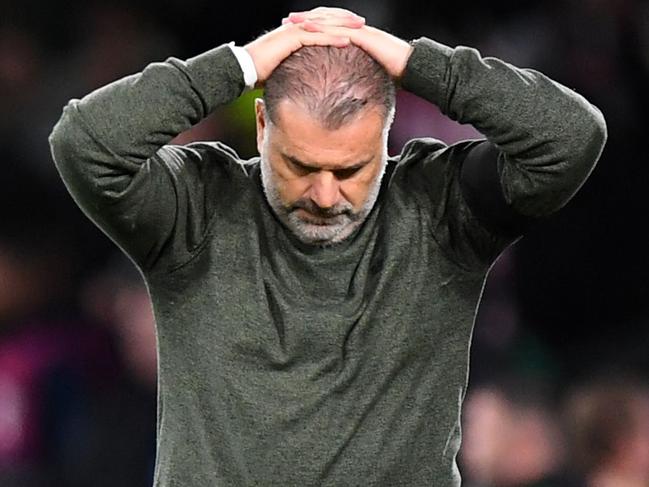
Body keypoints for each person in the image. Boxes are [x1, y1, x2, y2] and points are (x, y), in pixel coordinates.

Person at [48, 6, 607, 486]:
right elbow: (85, 143)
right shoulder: (194, 206)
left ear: (387, 138)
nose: (323, 193)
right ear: (262, 125)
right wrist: (241, 65)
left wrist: (418, 64)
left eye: (350, 169)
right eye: (300, 165)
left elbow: (570, 137)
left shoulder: (440, 208)